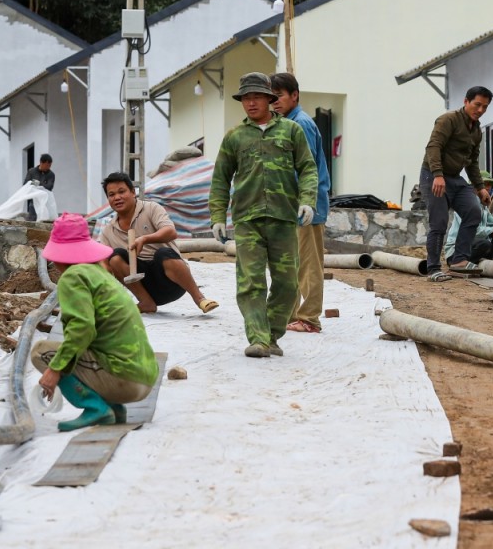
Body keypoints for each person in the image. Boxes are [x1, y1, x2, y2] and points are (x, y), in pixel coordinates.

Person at [209, 72, 318, 358]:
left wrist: (307, 201)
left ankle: (271, 335)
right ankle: (258, 338)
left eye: (256, 97)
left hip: (283, 219)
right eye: (246, 98)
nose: (251, 103)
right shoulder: (235, 137)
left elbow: (308, 167)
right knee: (251, 282)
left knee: (287, 283)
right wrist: (218, 216)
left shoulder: (291, 131)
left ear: (269, 99)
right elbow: (221, 179)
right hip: (248, 220)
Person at [33, 212, 159, 431]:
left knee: (42, 351)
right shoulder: (100, 274)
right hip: (145, 377)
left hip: (125, 380)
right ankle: (114, 409)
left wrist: (54, 370)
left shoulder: (73, 277)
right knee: (95, 347)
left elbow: (82, 328)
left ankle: (95, 408)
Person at [98, 172, 219, 315]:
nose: (117, 197)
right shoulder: (108, 230)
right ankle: (146, 303)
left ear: (132, 192)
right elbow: (103, 261)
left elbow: (170, 231)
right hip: (142, 286)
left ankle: (200, 299)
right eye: (111, 195)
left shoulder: (151, 208)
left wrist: (145, 239)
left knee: (163, 254)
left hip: (171, 282)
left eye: (121, 192)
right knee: (116, 257)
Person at [270, 72, 332, 335]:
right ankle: (293, 314)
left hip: (305, 206)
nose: (274, 102)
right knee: (293, 264)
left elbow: (304, 170)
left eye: (279, 96)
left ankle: (309, 318)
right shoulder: (286, 123)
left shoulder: (302, 125)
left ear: (295, 95)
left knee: (308, 265)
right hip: (290, 206)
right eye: (270, 97)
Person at [420, 86, 493, 282]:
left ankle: (459, 261)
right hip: (433, 176)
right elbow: (433, 146)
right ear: (466, 101)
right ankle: (434, 268)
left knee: (473, 212)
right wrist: (437, 174)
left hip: (454, 178)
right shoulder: (448, 120)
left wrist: (479, 188)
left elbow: (473, 162)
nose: (480, 110)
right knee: (439, 223)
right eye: (477, 104)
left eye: (484, 107)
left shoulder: (477, 131)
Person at [444, 174, 493, 264]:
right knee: (485, 243)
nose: (488, 187)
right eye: (485, 184)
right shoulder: (466, 205)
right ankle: (458, 263)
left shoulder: (483, 207)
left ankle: (481, 263)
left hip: (470, 247)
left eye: (489, 184)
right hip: (456, 253)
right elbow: (472, 230)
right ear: (474, 186)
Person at [25, 154, 55, 221]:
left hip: (46, 203)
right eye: (47, 165)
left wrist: (37, 183)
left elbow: (49, 187)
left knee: (45, 221)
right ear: (41, 163)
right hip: (33, 202)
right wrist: (42, 183)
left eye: (50, 165)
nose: (48, 167)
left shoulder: (51, 174)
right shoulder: (32, 171)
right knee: (32, 222)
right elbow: (26, 184)